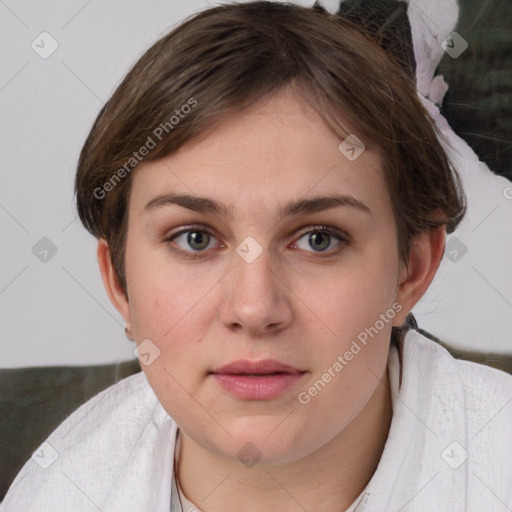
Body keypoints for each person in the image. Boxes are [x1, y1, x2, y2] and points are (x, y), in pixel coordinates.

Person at [2, 2, 511, 511]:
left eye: (319, 239)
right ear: (119, 282)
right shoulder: (57, 493)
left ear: (412, 271)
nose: (254, 309)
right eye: (194, 239)